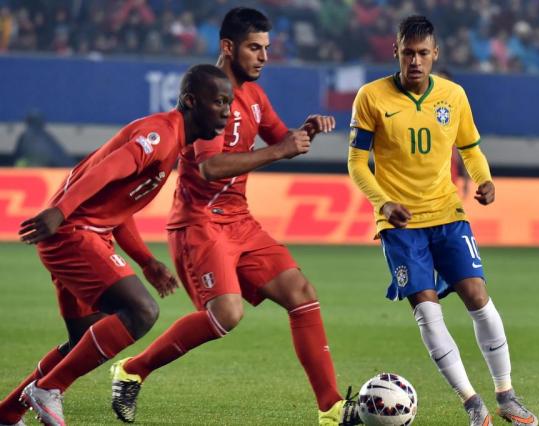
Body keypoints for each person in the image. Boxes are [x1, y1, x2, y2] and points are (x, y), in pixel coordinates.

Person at [109, 8, 359, 426]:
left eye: (266, 48)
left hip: (240, 221)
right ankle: (133, 369)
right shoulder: (212, 96)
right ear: (228, 47)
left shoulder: (256, 97)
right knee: (227, 315)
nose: (263, 56)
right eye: (254, 48)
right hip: (200, 224)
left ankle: (331, 408)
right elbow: (209, 167)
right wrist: (279, 150)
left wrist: (307, 131)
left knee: (302, 293)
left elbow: (281, 138)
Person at [0, 64, 232, 426]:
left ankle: (8, 412)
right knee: (142, 312)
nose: (226, 110)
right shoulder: (161, 135)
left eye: (229, 102)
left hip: (79, 233)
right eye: (218, 101)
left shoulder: (170, 141)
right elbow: (106, 170)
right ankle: (49, 388)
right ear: (190, 100)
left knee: (81, 340)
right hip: (74, 235)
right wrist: (59, 212)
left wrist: (145, 260)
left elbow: (116, 204)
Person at [347, 16, 538, 426]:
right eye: (407, 52)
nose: (414, 61)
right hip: (399, 225)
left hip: (447, 214)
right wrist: (383, 202)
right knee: (428, 314)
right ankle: (473, 405)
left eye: (422, 53)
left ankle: (506, 394)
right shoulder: (371, 97)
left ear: (435, 54)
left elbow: (470, 148)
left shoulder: (453, 95)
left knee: (478, 298)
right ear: (395, 50)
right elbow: (357, 162)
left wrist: (483, 179)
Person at [435, 68, 470, 197]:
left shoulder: (456, 111)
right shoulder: (420, 107)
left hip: (448, 172)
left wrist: (466, 180)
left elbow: (466, 147)